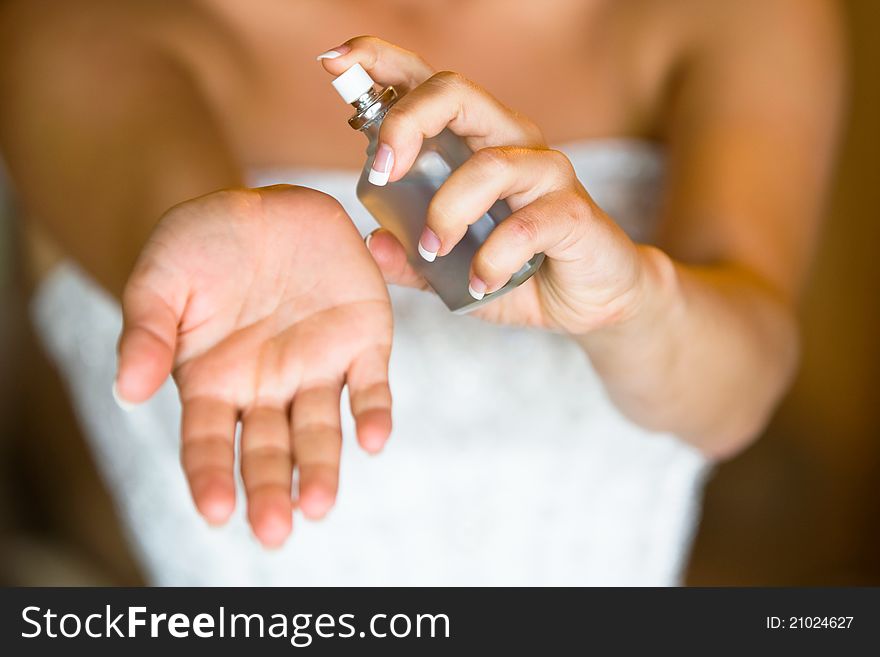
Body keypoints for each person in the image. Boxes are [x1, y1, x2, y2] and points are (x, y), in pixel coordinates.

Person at [0, 0, 844, 585]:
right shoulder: (88, 27)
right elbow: (180, 213)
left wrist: (631, 300)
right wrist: (250, 239)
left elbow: (739, 386)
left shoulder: (742, 16)